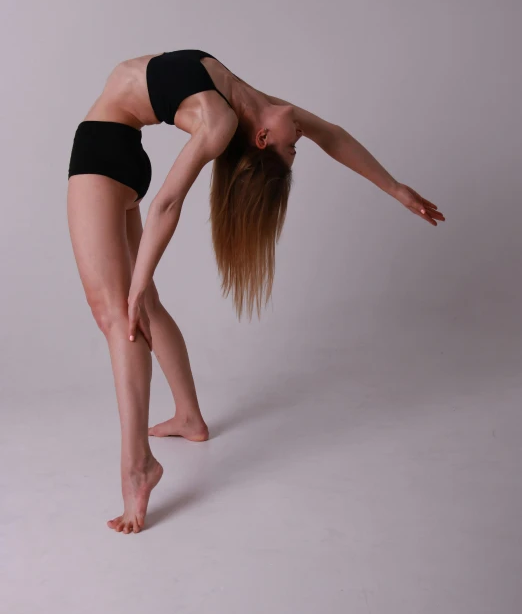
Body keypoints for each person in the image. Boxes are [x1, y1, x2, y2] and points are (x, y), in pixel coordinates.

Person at [67, 48, 445, 534]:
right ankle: (189, 417)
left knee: (119, 315)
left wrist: (139, 281)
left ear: (263, 139)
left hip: (101, 154)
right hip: (120, 150)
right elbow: (332, 134)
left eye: (291, 151)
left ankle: (138, 466)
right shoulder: (251, 101)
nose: (299, 143)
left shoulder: (222, 120)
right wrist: (395, 188)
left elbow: (167, 204)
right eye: (295, 151)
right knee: (142, 307)